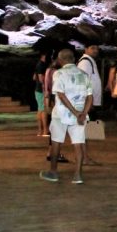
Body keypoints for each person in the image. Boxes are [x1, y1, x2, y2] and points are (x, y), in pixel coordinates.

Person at [40, 49, 93, 184]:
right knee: (78, 144)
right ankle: (77, 175)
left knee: (56, 142)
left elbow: (61, 95)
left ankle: (53, 172)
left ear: (60, 60)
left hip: (61, 114)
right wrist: (83, 113)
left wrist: (75, 112)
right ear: (74, 59)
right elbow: (90, 97)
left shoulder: (59, 74)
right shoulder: (83, 74)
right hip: (80, 115)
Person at [76, 45, 102, 164]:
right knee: (83, 131)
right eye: (92, 48)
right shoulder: (85, 62)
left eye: (97, 48)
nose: (95, 50)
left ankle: (85, 156)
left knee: (87, 131)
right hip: (87, 103)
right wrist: (88, 102)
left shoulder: (89, 62)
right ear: (85, 49)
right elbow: (82, 82)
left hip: (90, 102)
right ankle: (84, 157)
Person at [33, 52, 49, 137]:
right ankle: (45, 131)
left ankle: (40, 131)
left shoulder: (38, 64)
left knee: (40, 109)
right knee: (43, 110)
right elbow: (40, 78)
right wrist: (45, 88)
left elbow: (34, 77)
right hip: (41, 90)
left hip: (37, 90)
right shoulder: (42, 65)